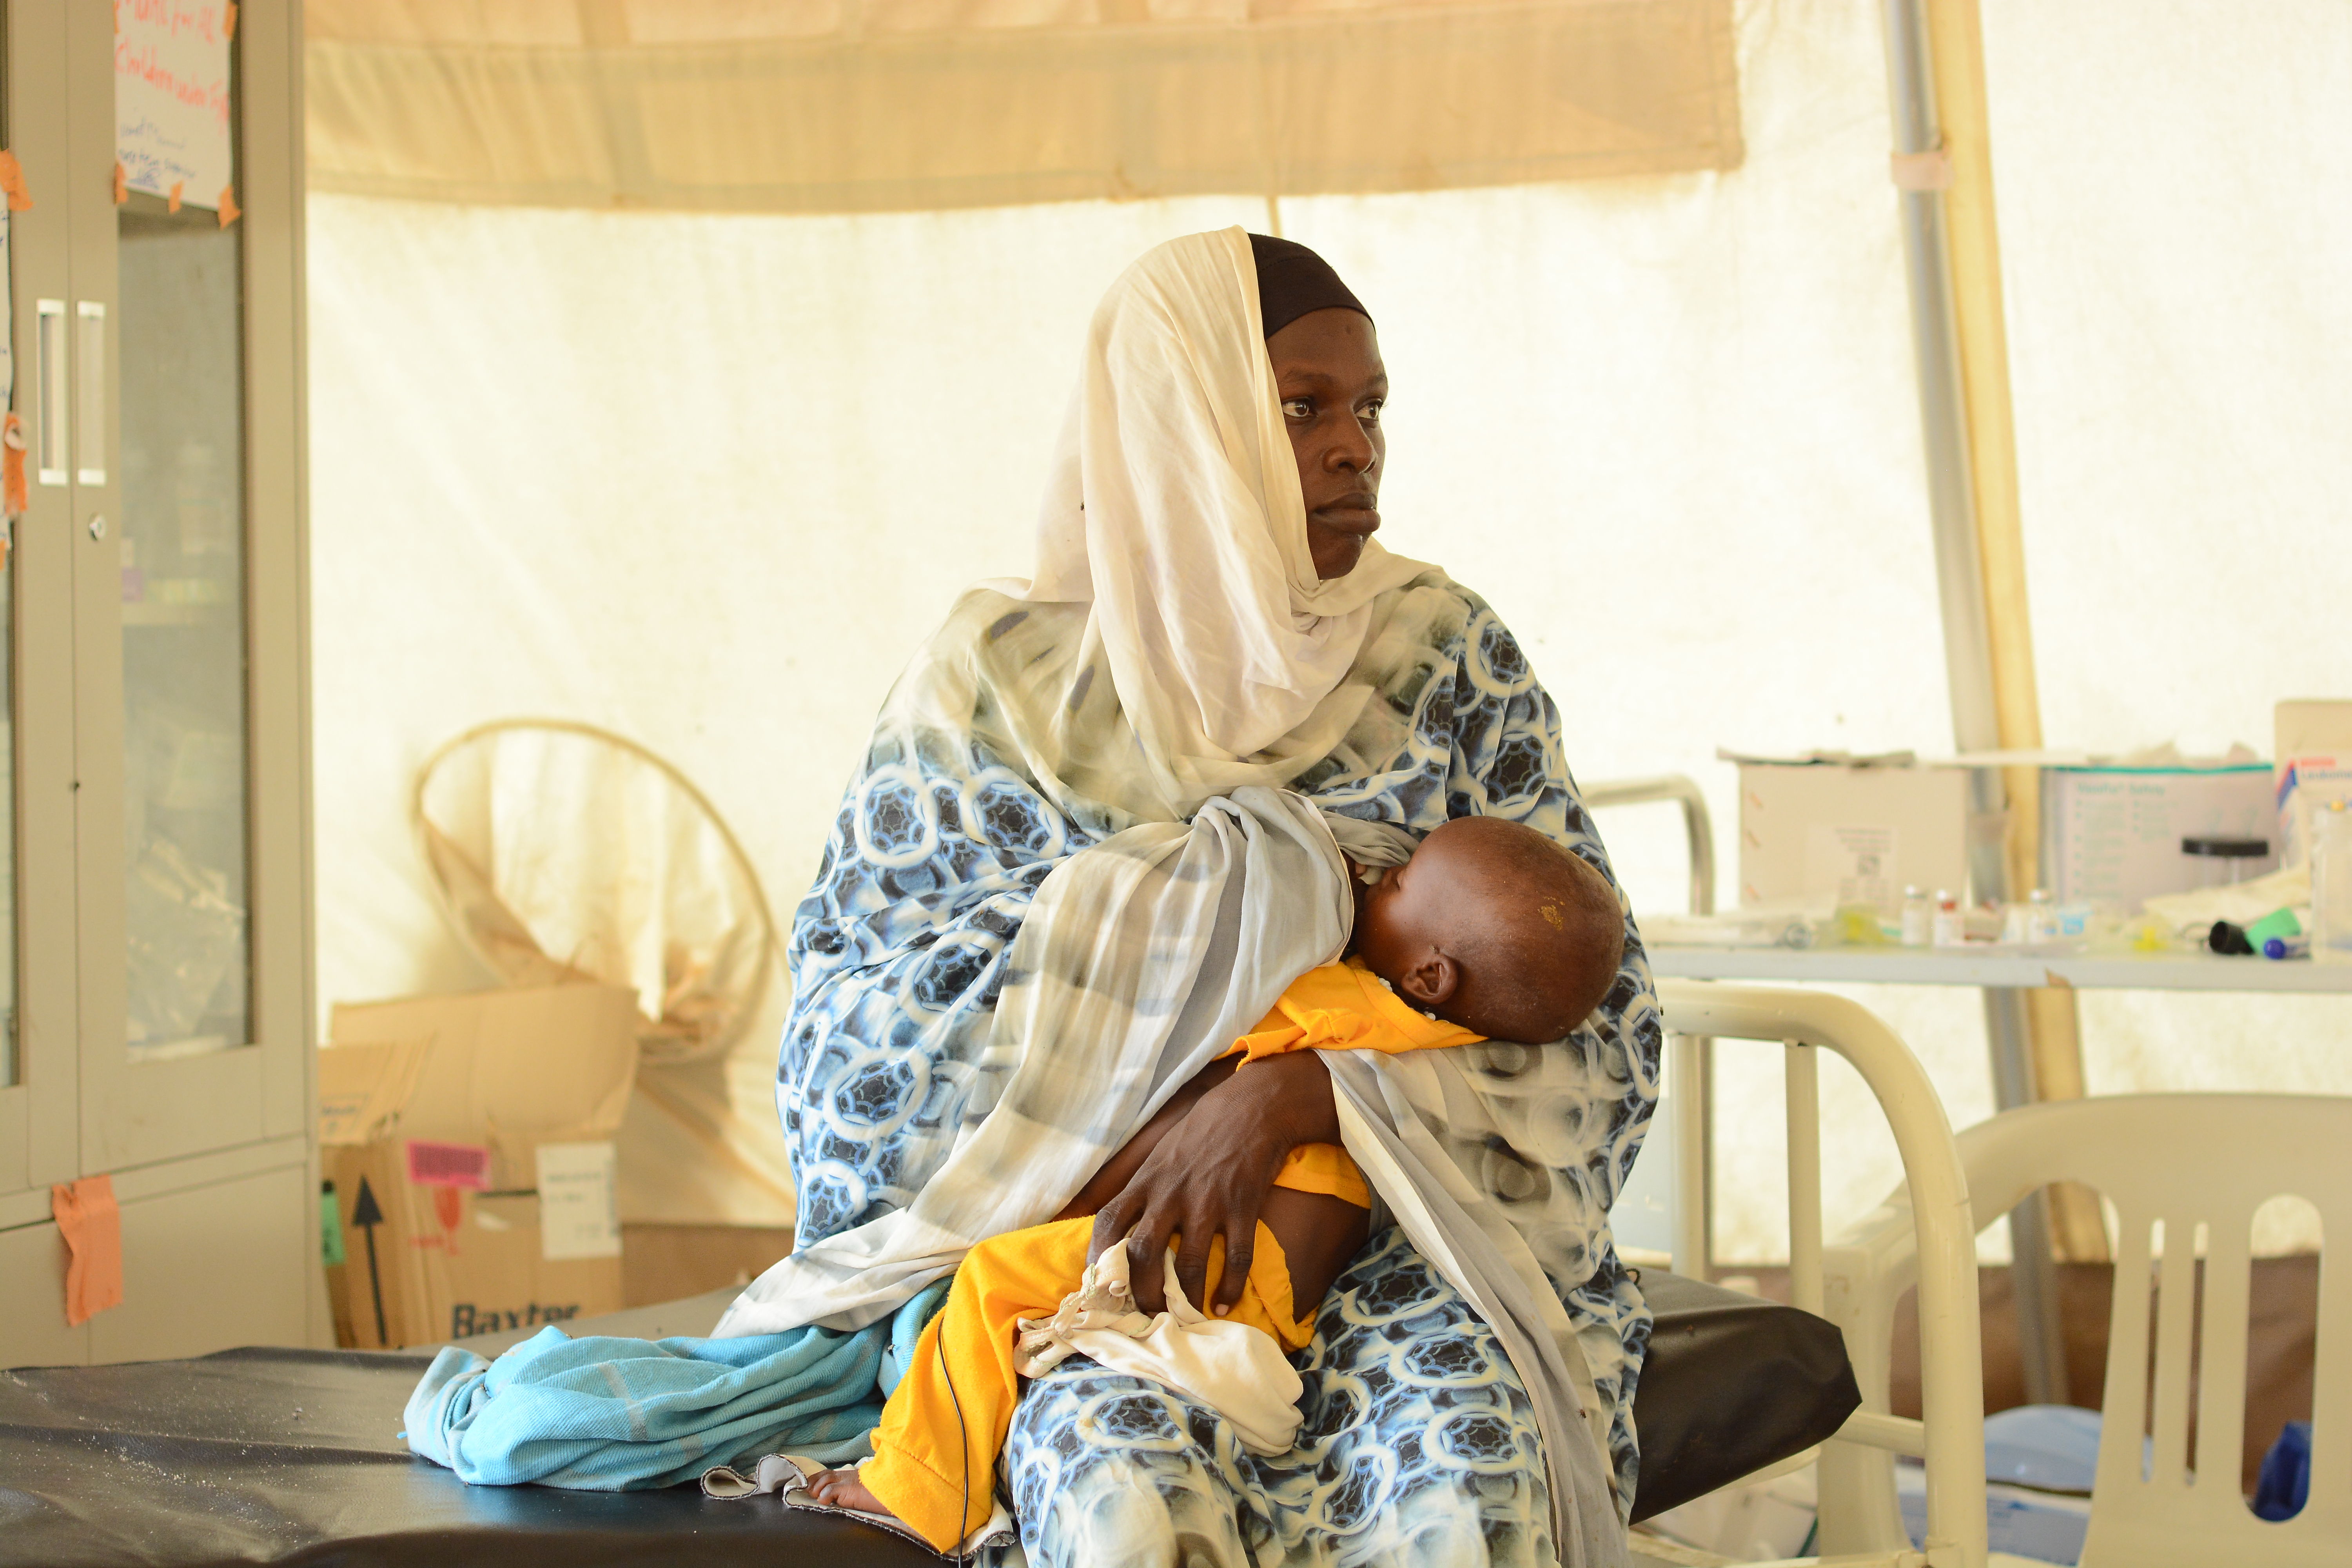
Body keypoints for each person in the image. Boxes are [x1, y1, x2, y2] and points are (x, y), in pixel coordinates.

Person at [718, 228, 1659, 1568]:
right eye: (1301, 407)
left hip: (1416, 1238)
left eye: (1371, 407)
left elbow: (1597, 1011)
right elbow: (852, 1049)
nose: (1357, 446)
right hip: (1096, 1245)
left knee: (1462, 1471)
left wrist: (1303, 1095)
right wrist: (1159, 1038)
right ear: (1182, 424)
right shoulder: (992, 690)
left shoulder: (1446, 655)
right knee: (1122, 1486)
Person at [802, 818, 1626, 1551]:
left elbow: (1206, 1063)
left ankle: (915, 1488)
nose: (1379, 872)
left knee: (988, 1280)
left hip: (1226, 1251)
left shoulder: (1341, 1002)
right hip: (1274, 1281)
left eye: (1404, 880)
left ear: (1430, 975)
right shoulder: (1427, 1042)